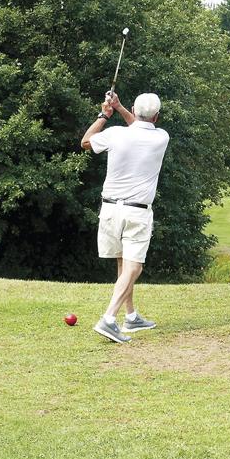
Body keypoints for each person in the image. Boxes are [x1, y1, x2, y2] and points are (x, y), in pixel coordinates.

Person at [81, 92, 169, 343]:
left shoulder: (116, 133)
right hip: (137, 211)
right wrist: (119, 109)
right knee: (134, 266)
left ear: (133, 108)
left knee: (123, 264)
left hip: (109, 210)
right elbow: (141, 126)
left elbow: (86, 142)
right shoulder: (161, 137)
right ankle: (109, 319)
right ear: (157, 116)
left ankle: (131, 316)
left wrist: (105, 114)